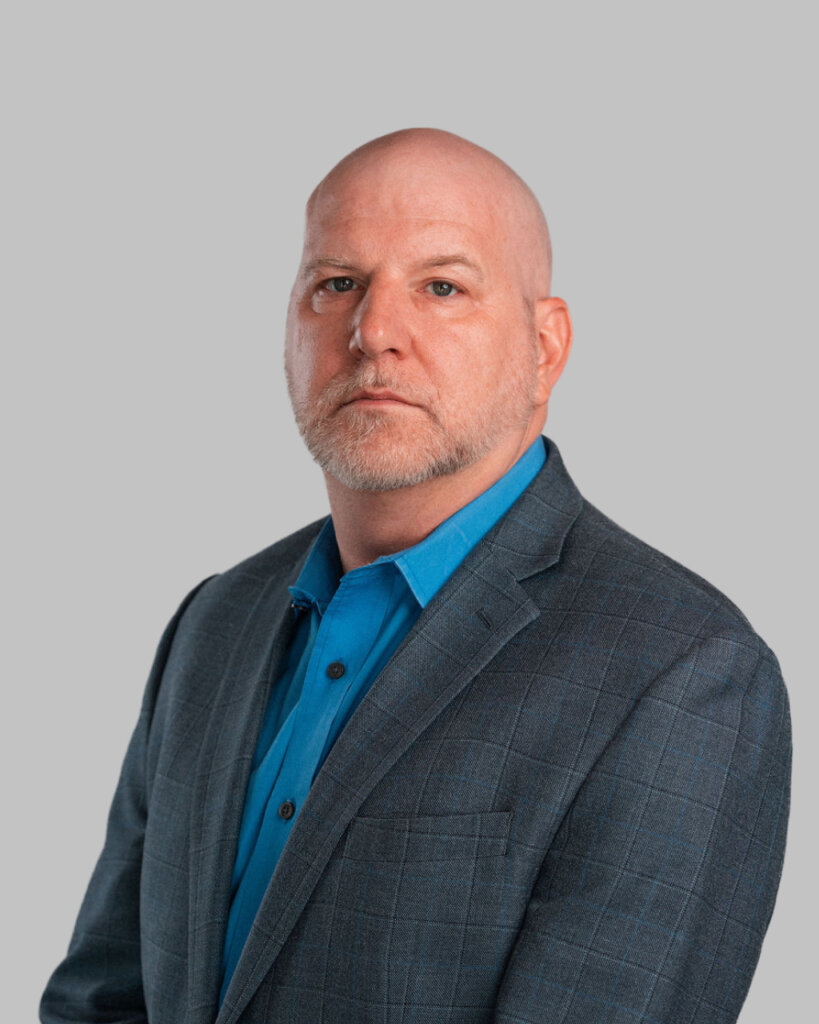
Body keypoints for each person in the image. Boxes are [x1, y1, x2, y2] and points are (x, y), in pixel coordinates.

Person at [41, 128, 791, 1024]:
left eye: (441, 286)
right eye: (337, 284)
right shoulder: (216, 621)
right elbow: (101, 1000)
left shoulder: (680, 673)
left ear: (545, 346)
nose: (373, 333)